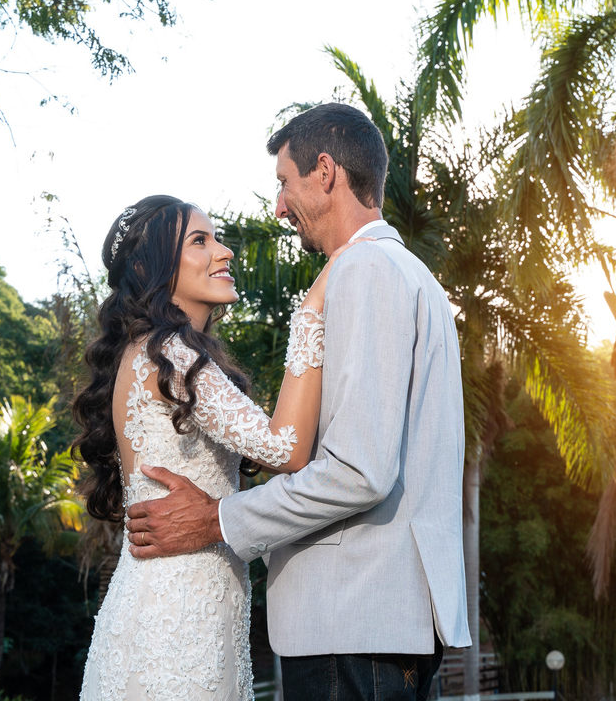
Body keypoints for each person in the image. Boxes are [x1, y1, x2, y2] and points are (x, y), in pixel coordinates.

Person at [123, 103, 471, 701]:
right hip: (378, 621)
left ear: (326, 172)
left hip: (352, 615)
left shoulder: (363, 271)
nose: (279, 206)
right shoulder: (410, 275)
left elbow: (359, 472)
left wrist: (216, 519)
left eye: (284, 182)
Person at [73, 194, 345, 699]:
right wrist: (311, 311)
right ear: (149, 266)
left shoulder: (160, 351)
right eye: (200, 241)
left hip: (188, 613)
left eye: (216, 238)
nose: (225, 253)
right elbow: (285, 449)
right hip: (173, 627)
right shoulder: (169, 354)